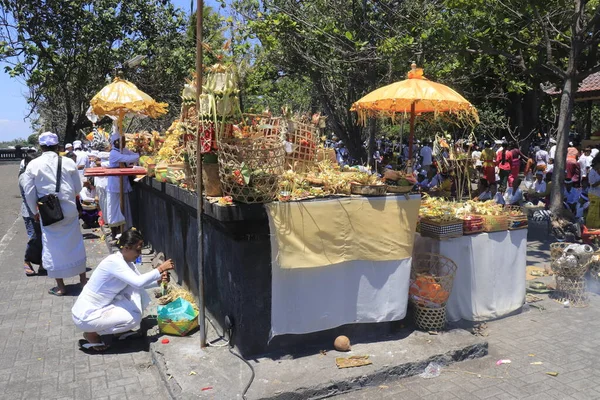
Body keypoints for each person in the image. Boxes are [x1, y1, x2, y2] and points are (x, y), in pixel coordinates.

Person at [72, 229, 175, 352]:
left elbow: (136, 284)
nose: (139, 253)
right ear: (126, 247)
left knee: (133, 306)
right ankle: (92, 333)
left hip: (99, 308)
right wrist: (160, 269)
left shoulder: (126, 263)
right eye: (137, 250)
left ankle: (117, 332)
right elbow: (138, 282)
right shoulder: (114, 262)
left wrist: (158, 281)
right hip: (85, 316)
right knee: (134, 318)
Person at [22, 132, 87, 296]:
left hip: (48, 212)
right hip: (69, 210)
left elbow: (29, 192)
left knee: (52, 247)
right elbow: (78, 189)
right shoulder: (68, 162)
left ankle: (61, 287)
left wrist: (34, 211)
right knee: (75, 243)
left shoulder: (33, 165)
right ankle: (83, 281)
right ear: (58, 146)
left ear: (41, 147)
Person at [106, 133, 140, 237]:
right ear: (116, 142)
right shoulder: (113, 153)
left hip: (123, 184)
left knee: (125, 209)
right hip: (115, 186)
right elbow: (127, 158)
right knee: (114, 210)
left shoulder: (123, 150)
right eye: (122, 141)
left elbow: (131, 155)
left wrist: (139, 154)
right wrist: (138, 155)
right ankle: (114, 232)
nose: (124, 143)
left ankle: (125, 231)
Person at [19, 152, 46, 276]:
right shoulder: (25, 176)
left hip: (39, 211)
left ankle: (42, 263)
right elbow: (28, 197)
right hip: (30, 212)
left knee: (42, 238)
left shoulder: (35, 174)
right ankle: (27, 261)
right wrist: (35, 212)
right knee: (34, 238)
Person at [586, 159, 600, 228]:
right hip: (594, 194)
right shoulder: (592, 172)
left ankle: (596, 227)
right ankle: (590, 226)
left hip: (598, 194)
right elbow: (593, 184)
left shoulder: (597, 172)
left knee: (597, 212)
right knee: (592, 211)